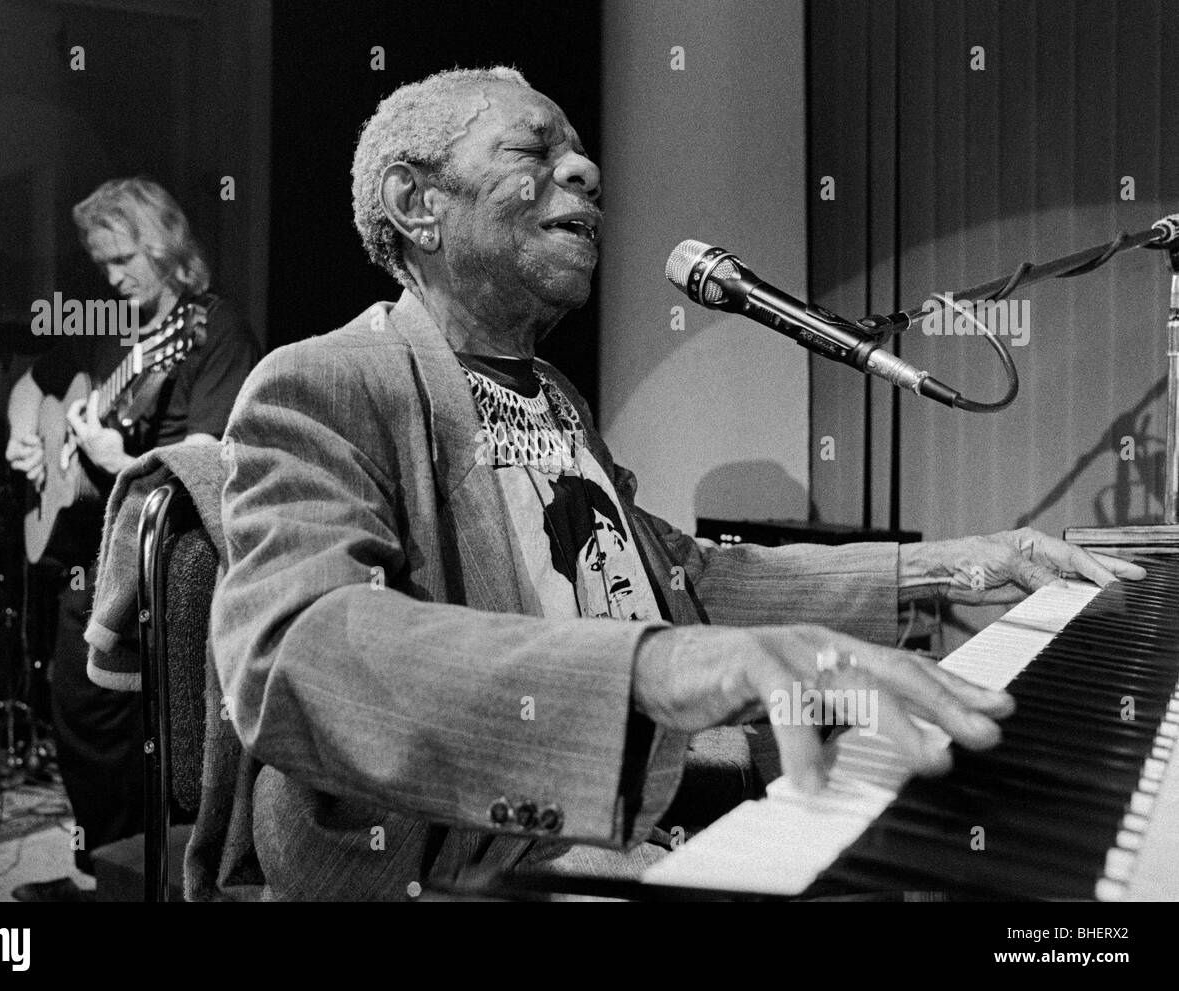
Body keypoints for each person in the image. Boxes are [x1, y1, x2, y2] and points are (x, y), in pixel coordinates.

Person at [210, 68, 1144, 901]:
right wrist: (663, 667)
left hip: (630, 808)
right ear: (417, 201)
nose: (583, 173)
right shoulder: (327, 380)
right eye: (535, 148)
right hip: (461, 851)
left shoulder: (556, 398)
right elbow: (295, 650)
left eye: (583, 157)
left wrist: (956, 565)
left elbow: (685, 576)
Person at [5, 177, 259, 901]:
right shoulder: (112, 327)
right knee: (77, 703)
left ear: (163, 245)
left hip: (171, 561)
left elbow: (216, 462)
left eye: (122, 260)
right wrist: (32, 436)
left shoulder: (210, 330)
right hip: (91, 550)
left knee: (149, 730)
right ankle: (107, 874)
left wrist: (115, 461)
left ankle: (157, 878)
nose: (112, 278)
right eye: (102, 264)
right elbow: (33, 380)